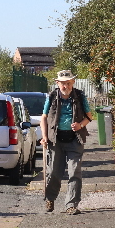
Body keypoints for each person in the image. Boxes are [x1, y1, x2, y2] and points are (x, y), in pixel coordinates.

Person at [40, 69, 93, 215]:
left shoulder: (80, 96)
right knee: (54, 173)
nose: (66, 86)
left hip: (74, 140)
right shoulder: (51, 96)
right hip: (55, 140)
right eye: (63, 83)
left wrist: (80, 125)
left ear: (73, 82)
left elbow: (89, 117)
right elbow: (44, 117)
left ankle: (71, 204)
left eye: (68, 83)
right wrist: (44, 136)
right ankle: (50, 198)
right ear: (57, 83)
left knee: (74, 172)